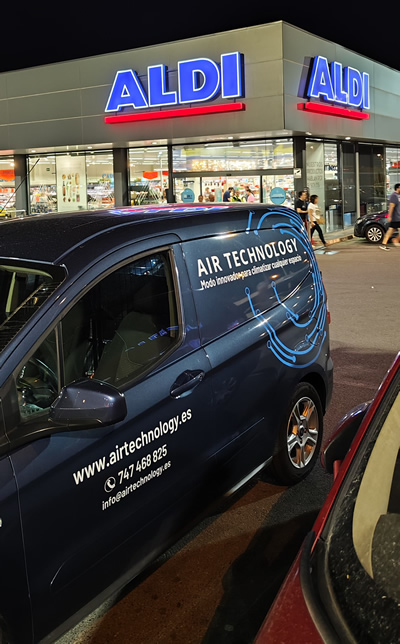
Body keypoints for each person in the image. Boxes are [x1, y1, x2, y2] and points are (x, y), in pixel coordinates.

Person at [380, 183, 400, 250]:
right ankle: (394, 240)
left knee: (390, 231)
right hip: (396, 218)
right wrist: (389, 216)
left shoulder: (398, 196)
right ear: (398, 188)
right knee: (390, 231)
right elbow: (391, 207)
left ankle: (384, 244)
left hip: (398, 217)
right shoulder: (394, 196)